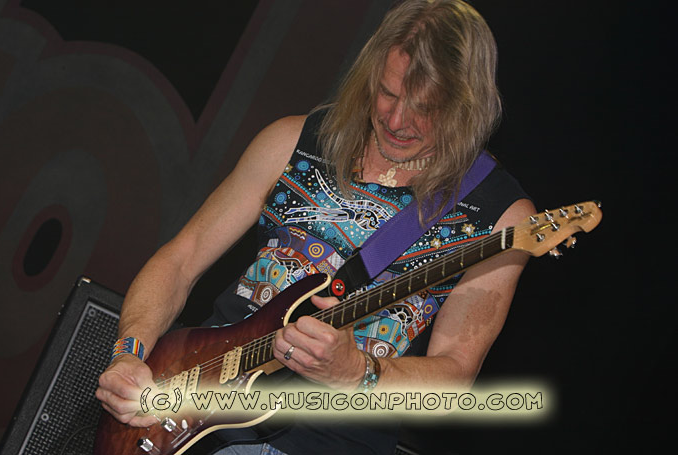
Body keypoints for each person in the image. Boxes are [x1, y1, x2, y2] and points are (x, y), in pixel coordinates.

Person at [95, 0, 535, 453]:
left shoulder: (499, 215)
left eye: (425, 107)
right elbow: (182, 258)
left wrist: (358, 372)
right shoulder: (295, 140)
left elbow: (454, 377)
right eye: (387, 93)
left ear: (466, 105)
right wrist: (130, 352)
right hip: (190, 412)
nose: (396, 120)